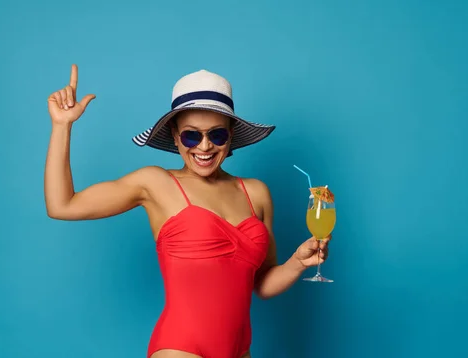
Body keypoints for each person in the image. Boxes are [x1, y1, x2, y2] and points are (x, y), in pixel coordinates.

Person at [44, 65, 331, 358]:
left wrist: (297, 262)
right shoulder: (155, 183)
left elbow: (262, 285)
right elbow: (62, 205)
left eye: (217, 135)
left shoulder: (256, 193)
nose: (205, 146)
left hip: (240, 351)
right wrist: (61, 126)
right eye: (192, 136)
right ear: (175, 135)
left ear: (231, 136)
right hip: (180, 348)